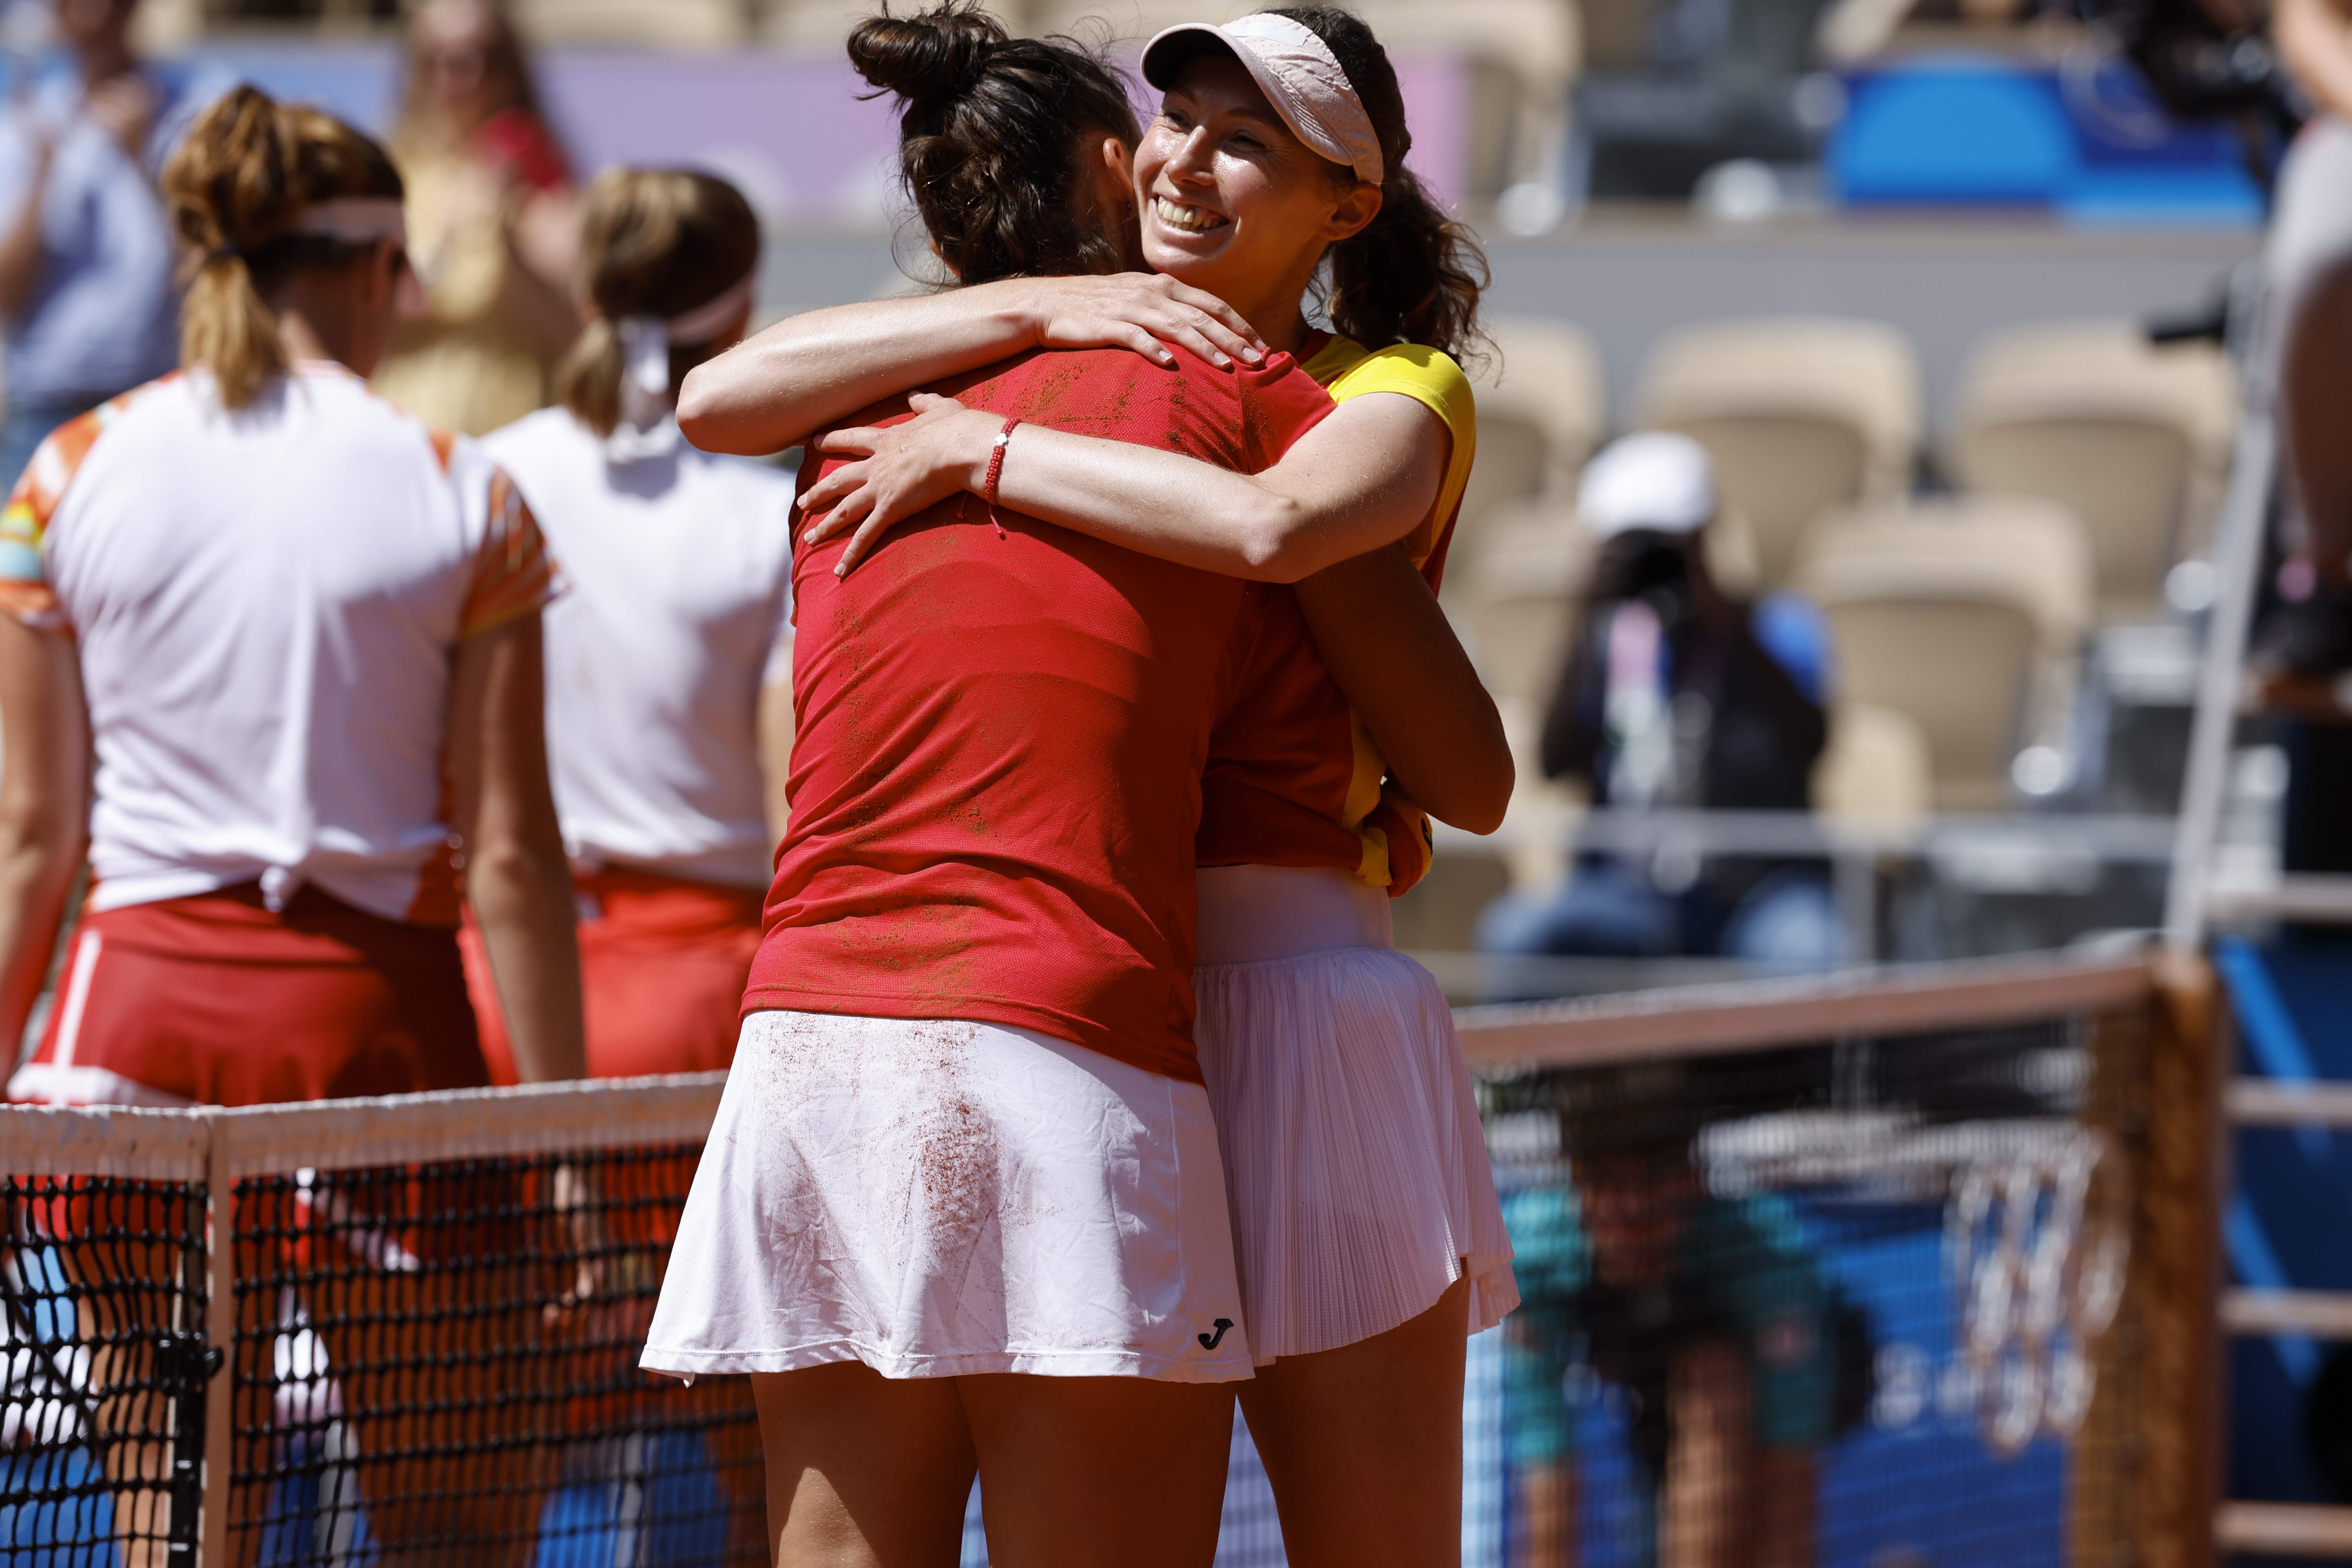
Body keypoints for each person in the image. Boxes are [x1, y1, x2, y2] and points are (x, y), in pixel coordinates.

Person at [686, 11, 1518, 1562]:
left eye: (1249, 138)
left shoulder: (1357, 391)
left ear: (1353, 198)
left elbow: (1432, 726)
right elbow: (723, 396)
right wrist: (1040, 334)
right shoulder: (1024, 354)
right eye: (1179, 120)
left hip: (1285, 1008)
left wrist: (978, 461)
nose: (1193, 161)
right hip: (1087, 1011)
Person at [0, 87, 583, 1567]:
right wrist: (570, 1136)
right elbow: (510, 852)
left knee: (176, 1535)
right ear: (372, 267)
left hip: (115, 1049)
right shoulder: (469, 491)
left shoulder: (64, 474)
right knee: (457, 1530)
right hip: (374, 1039)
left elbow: (30, 833)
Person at [466, 166, 792, 1085]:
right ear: (741, 310)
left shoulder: (484, 477)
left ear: (586, 291)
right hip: (701, 1010)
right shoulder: (774, 517)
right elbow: (792, 808)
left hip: (495, 987)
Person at [1478, 433, 1839, 969]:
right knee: (1517, 937)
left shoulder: (1776, 627)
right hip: (1630, 892)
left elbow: (1812, 744)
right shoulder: (1607, 640)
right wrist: (1586, 616)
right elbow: (1553, 763)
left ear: (1705, 539)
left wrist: (1729, 626)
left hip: (1760, 891)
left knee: (1814, 952)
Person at [1501, 1062, 1864, 1568]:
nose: (1631, 1209)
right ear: (1575, 1178)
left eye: (1652, 1182)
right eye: (1608, 1182)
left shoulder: (1767, 1263)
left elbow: (1790, 1493)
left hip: (1810, 1370)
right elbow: (1546, 1463)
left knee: (1715, 1381)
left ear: (1692, 1177)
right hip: (1647, 1382)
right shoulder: (1535, 1255)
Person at [0, 0, 234, 489]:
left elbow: (216, 265)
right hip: (43, 409)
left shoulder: (195, 106)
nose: (90, 20)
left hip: (157, 400)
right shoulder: (26, 123)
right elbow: (6, 296)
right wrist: (44, 180)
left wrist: (145, 158)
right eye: (72, 5)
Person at [374, 0, 579, 435]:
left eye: (483, 57)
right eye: (437, 59)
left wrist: (511, 239)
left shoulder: (543, 180)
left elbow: (576, 336)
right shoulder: (383, 176)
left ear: (511, 68)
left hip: (514, 439)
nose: (460, 76)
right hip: (408, 433)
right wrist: (447, 240)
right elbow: (364, 314)